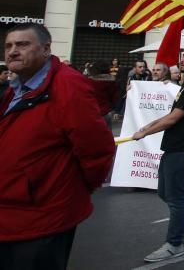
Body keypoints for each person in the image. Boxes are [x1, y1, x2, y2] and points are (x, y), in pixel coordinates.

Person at [0, 23, 116, 269]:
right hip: (12, 212)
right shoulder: (17, 87)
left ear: (45, 49)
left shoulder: (67, 85)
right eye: (9, 45)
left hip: (42, 216)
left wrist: (75, 186)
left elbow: (97, 148)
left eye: (22, 44)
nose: (13, 51)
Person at [133, 46, 184, 262]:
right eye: (182, 56)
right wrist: (146, 127)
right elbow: (172, 114)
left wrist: (145, 132)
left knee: (176, 196)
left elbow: (172, 119)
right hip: (175, 146)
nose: (182, 60)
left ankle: (174, 244)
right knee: (165, 192)